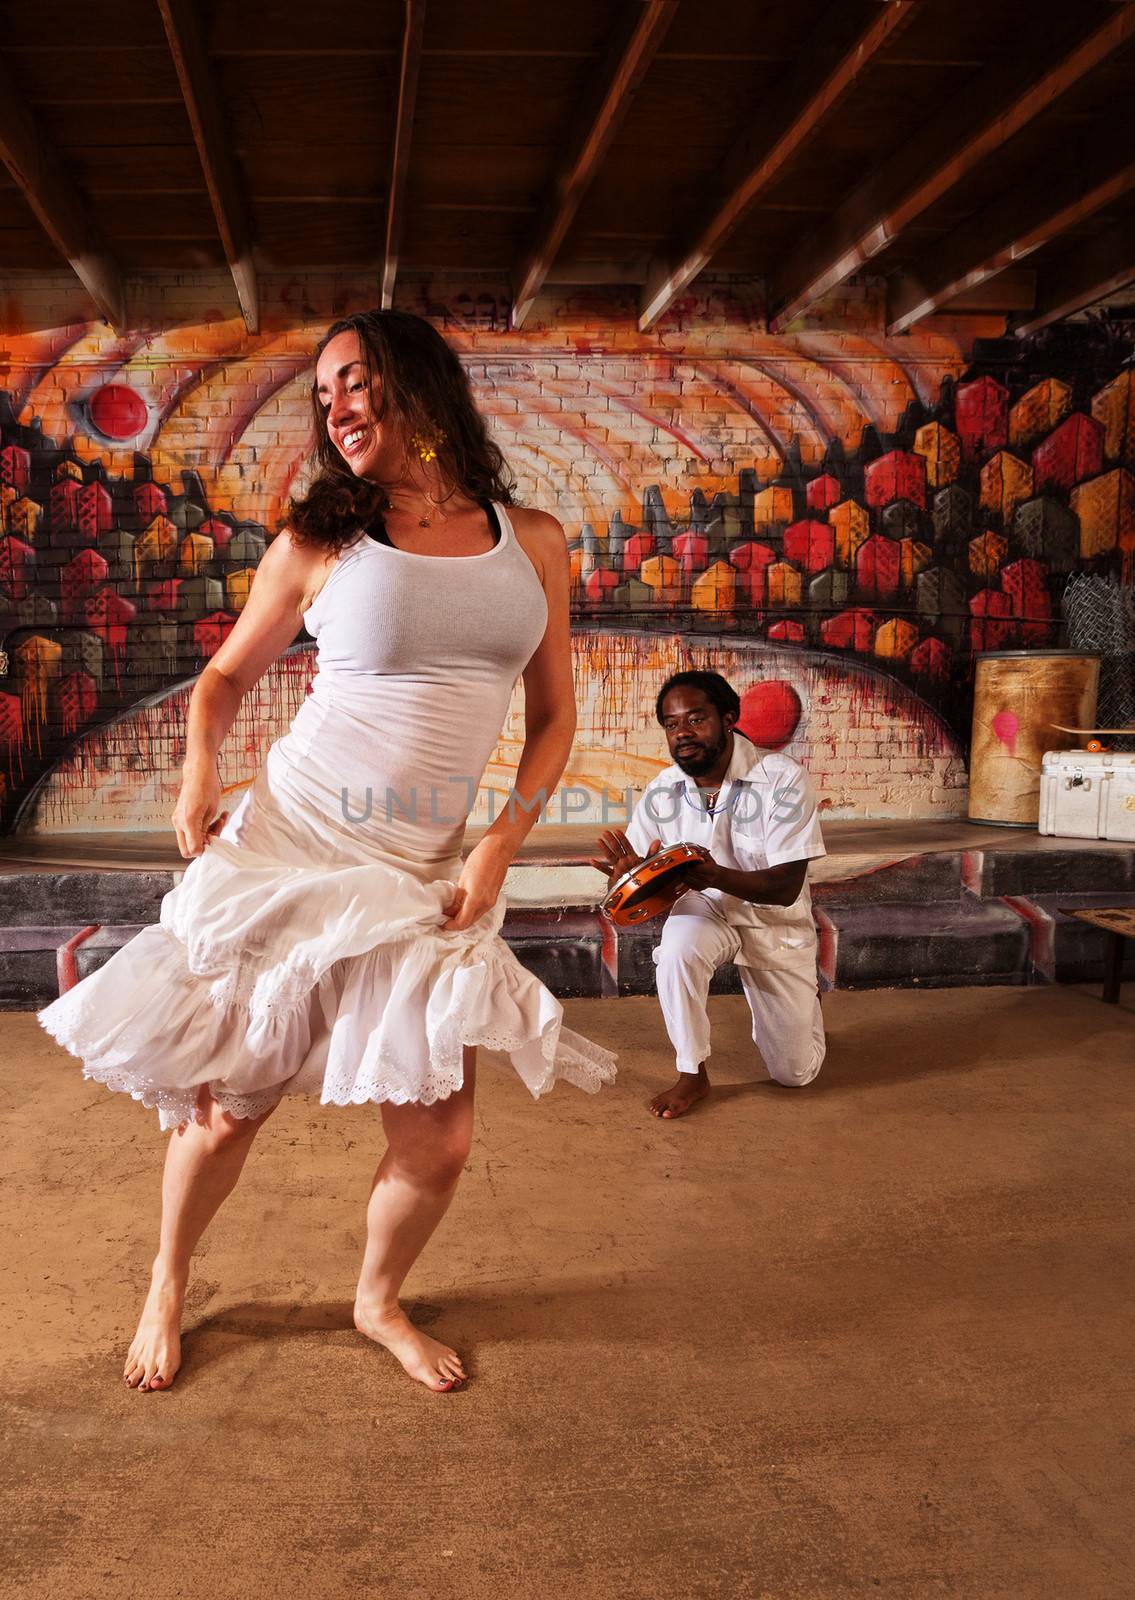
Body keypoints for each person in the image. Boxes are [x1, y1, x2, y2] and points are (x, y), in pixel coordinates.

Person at [37, 309, 616, 1395]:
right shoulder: (320, 543)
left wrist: (501, 844)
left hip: (422, 870)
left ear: (414, 380)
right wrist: (201, 771)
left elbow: (552, 720)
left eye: (353, 381)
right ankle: (167, 1278)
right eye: (323, 394)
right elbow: (221, 681)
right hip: (296, 842)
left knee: (440, 1141)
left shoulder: (529, 540)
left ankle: (376, 1298)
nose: (335, 406)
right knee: (228, 1105)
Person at [590, 671, 825, 1119]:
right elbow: (641, 873)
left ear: (730, 718)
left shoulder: (783, 780)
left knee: (795, 1073)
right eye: (672, 724)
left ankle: (806, 1007)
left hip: (773, 919)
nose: (683, 733)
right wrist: (624, 881)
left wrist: (714, 874)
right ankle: (692, 1072)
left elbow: (786, 887)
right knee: (677, 948)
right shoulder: (664, 789)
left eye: (695, 719)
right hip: (707, 907)